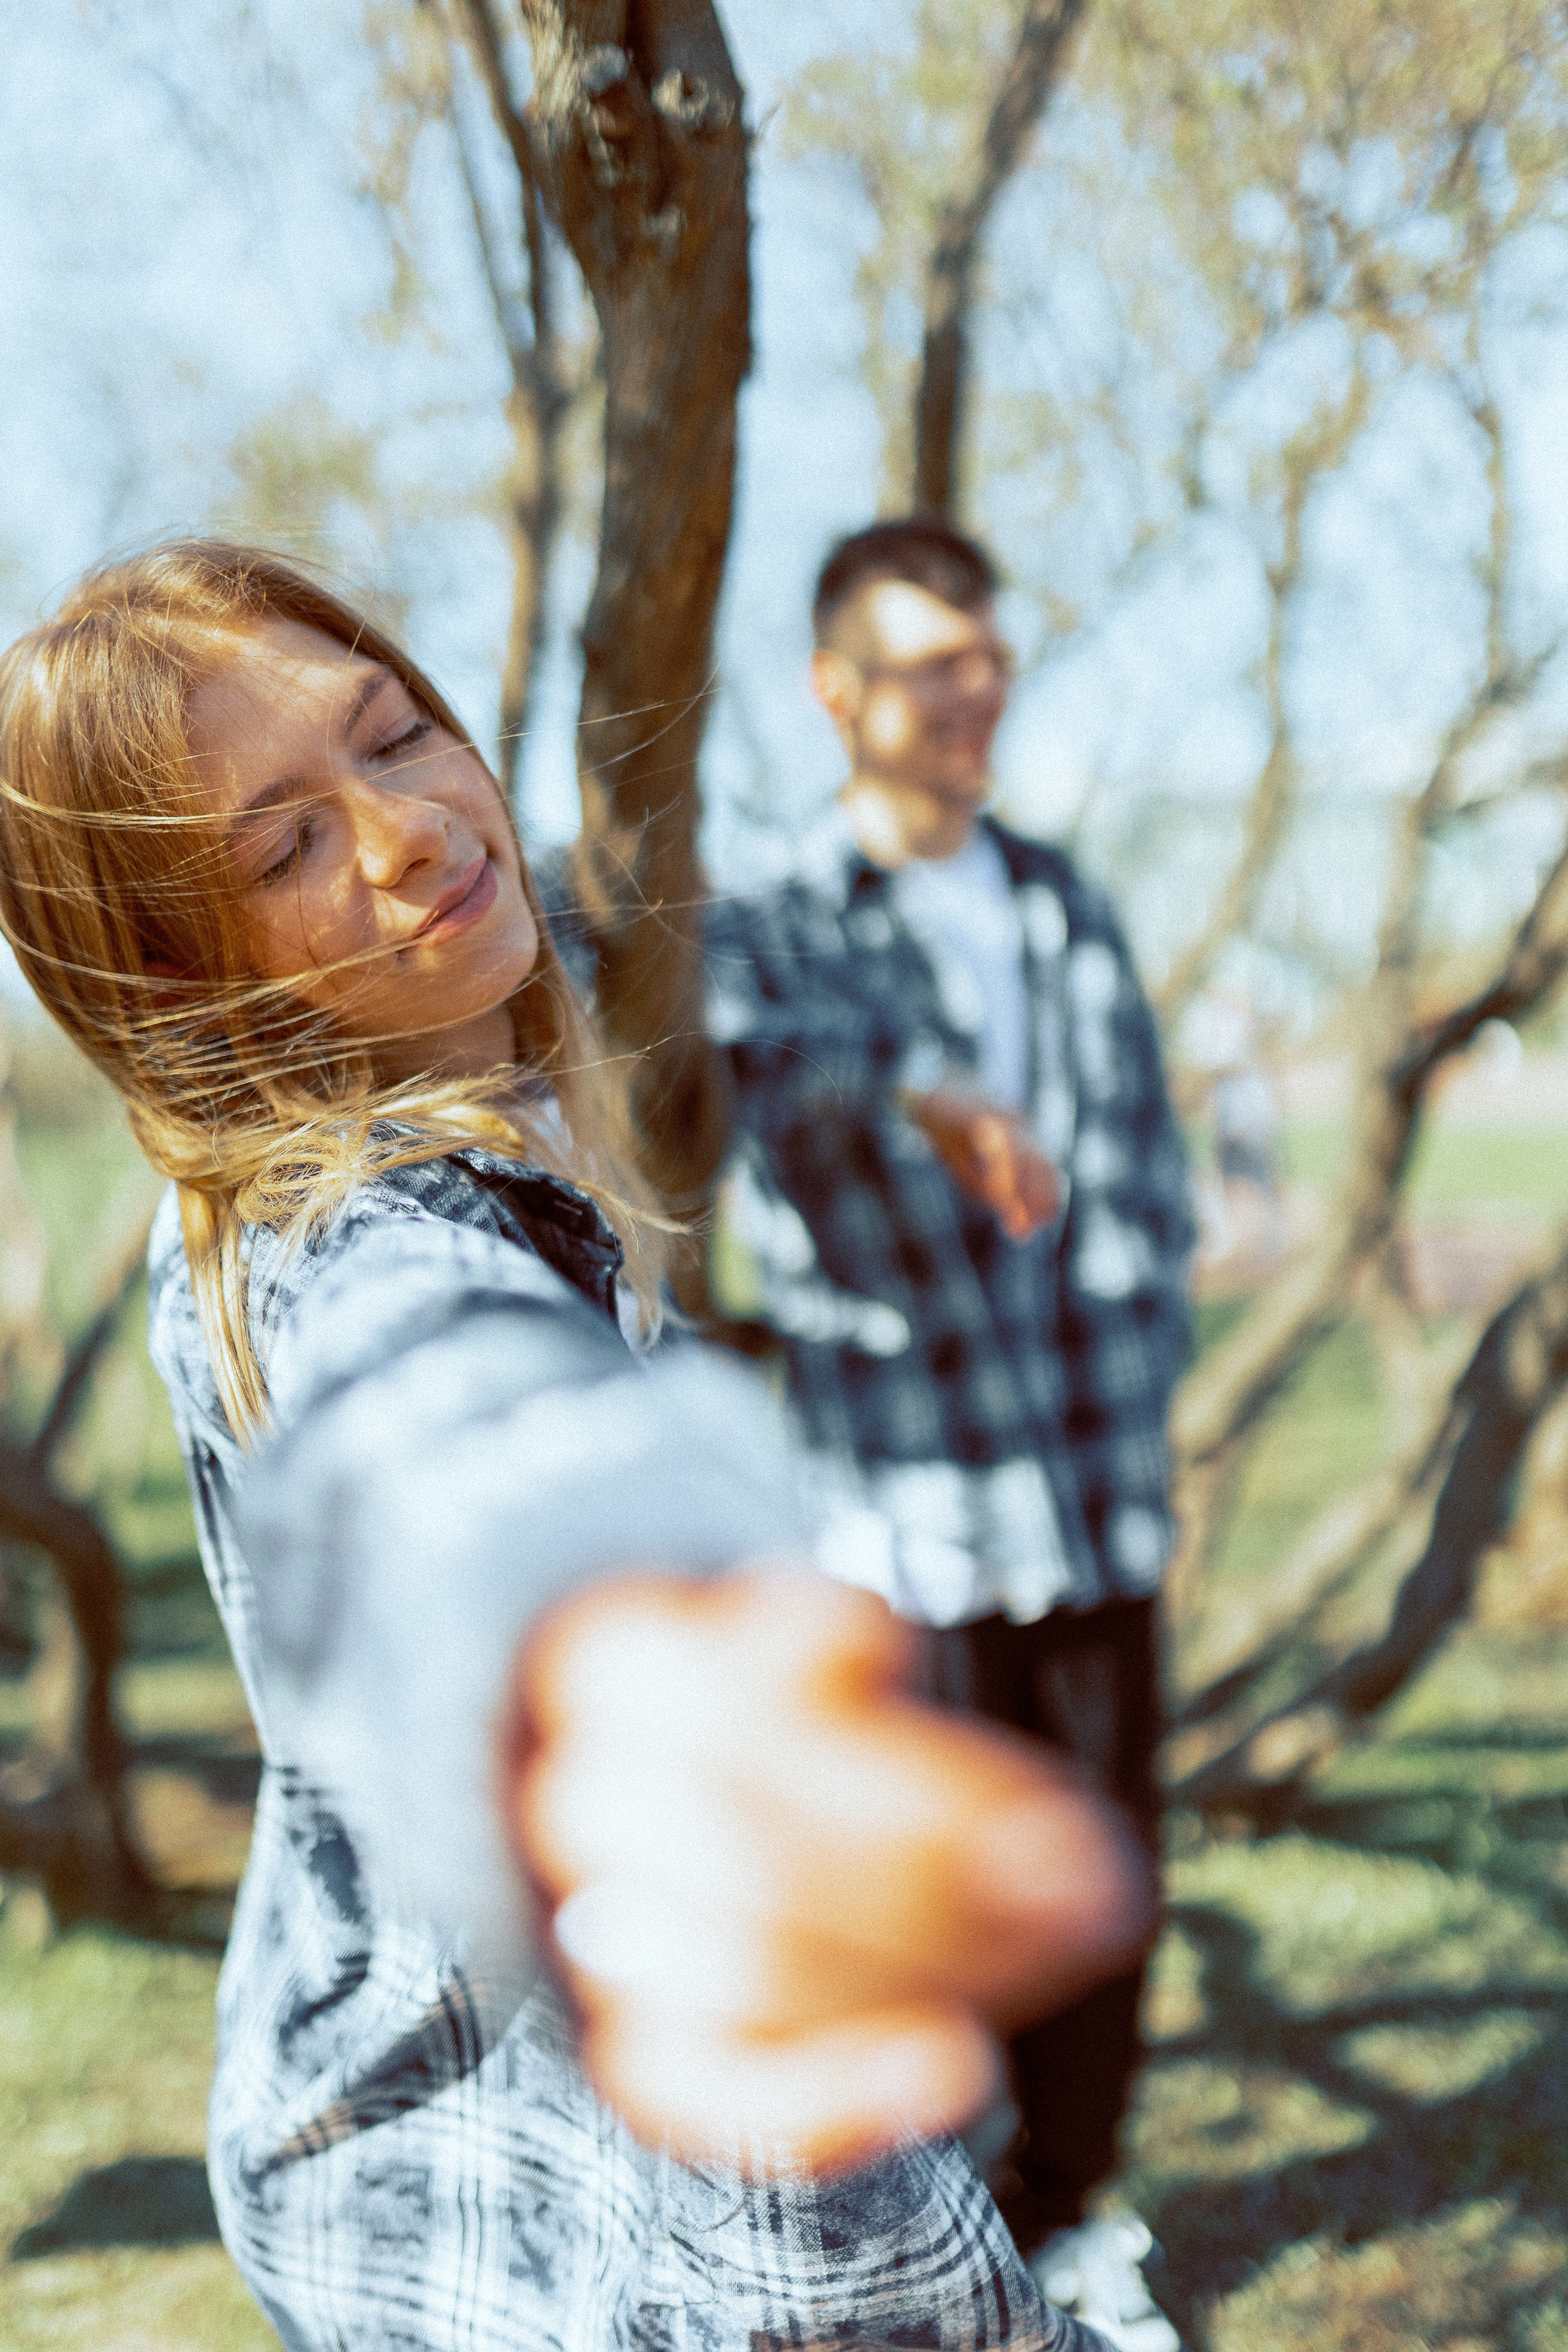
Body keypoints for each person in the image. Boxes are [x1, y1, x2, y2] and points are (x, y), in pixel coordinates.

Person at [0, 540, 1154, 2352]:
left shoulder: (341, 1161)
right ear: (174, 981)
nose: (402, 830)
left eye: (393, 735)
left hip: (394, 2217)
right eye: (284, 845)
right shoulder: (362, 1225)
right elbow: (434, 1395)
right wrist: (604, 1644)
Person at [706, 519, 1196, 2351]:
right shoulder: (782, 921)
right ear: (839, 692)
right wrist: (913, 1088)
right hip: (907, 1519)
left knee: (1106, 1882)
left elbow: (1138, 1161)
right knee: (932, 1907)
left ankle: (1072, 2224)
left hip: (1095, 1497)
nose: (970, 692)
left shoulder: (1063, 898)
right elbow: (753, 1082)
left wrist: (1146, 1358)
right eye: (929, 664)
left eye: (987, 657)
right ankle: (948, 2257)